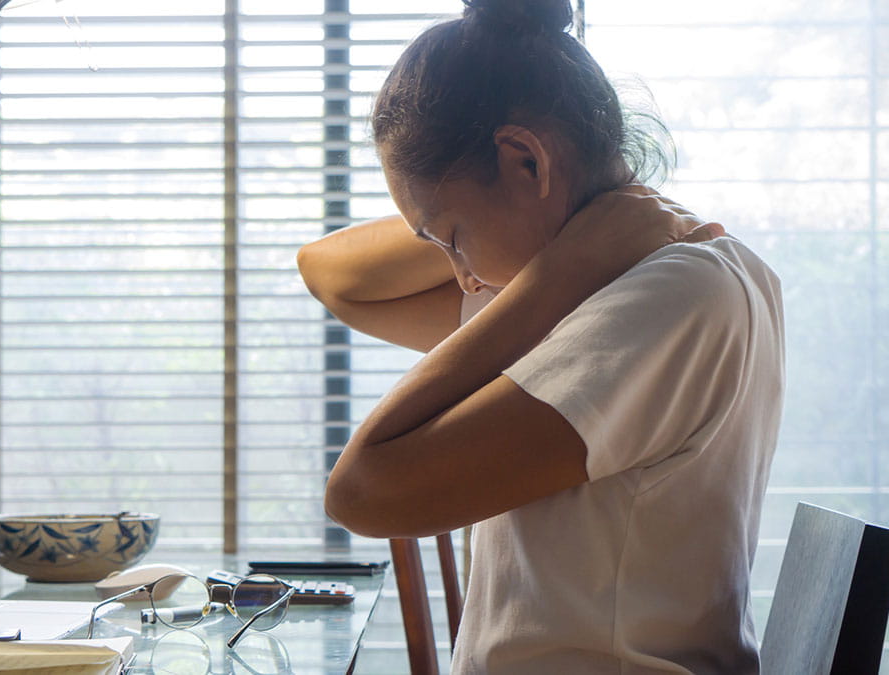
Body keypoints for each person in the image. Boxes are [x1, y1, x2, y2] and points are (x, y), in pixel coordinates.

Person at [297, 0, 784, 672]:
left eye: (454, 239)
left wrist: (560, 273)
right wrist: (545, 257)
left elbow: (360, 492)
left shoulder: (664, 297)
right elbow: (329, 274)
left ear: (525, 160)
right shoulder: (599, 280)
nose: (463, 277)